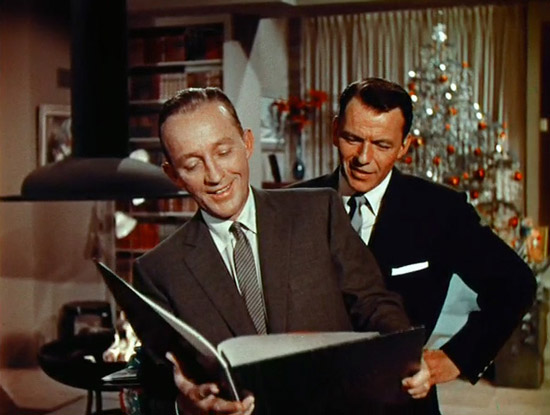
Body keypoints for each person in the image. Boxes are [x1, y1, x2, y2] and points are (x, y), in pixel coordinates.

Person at [131, 87, 431, 415]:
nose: (215, 175)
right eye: (192, 164)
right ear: (172, 174)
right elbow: (158, 383)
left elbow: (373, 303)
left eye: (223, 152)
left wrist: (407, 355)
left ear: (247, 143)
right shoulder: (158, 271)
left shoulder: (319, 211)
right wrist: (185, 405)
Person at [293, 77, 537, 414]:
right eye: (353, 139)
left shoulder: (440, 211)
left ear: (404, 146)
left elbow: (516, 284)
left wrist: (454, 358)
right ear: (335, 131)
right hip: (311, 402)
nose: (364, 157)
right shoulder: (294, 205)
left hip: (402, 404)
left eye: (382, 144)